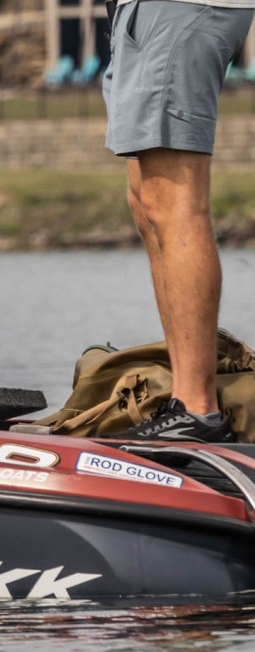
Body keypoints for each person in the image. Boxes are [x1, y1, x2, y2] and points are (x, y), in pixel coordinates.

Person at [101, 1, 253, 442]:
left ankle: (198, 410)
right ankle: (184, 400)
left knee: (176, 203)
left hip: (178, 9)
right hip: (142, 12)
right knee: (147, 202)